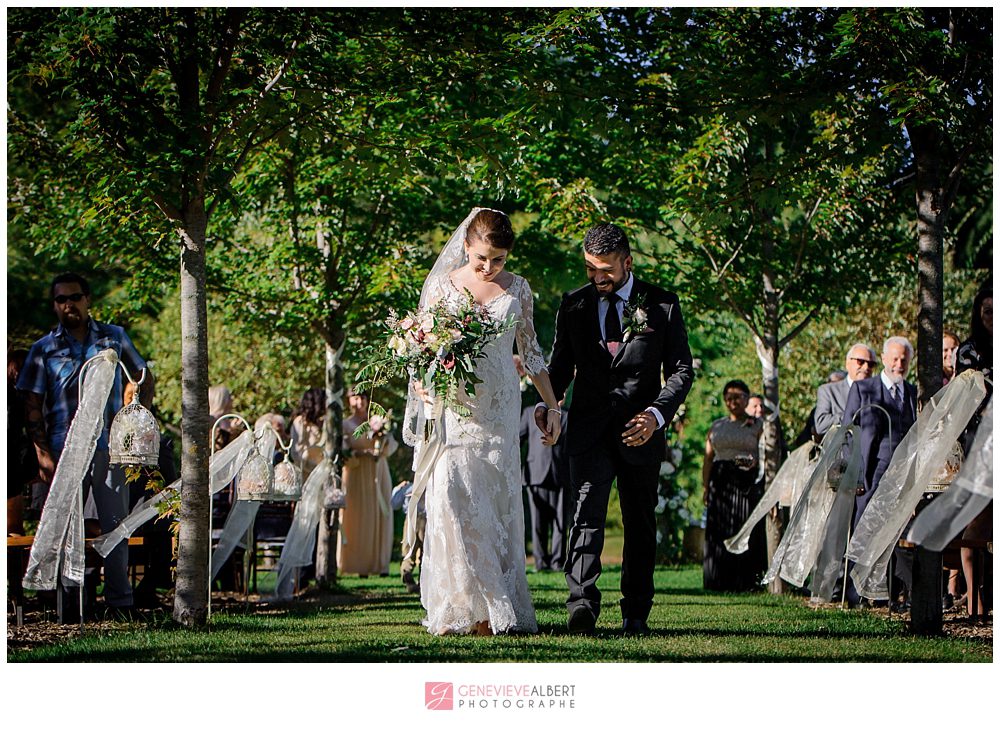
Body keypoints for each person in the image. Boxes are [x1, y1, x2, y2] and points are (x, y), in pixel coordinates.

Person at [404, 207, 561, 636]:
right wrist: (420, 382)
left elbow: (531, 353)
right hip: (454, 410)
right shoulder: (442, 286)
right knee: (453, 499)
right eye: (481, 259)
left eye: (499, 260)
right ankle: (472, 603)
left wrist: (553, 406)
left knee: (494, 501)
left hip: (500, 411)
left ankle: (491, 610)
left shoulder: (519, 290)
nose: (489, 268)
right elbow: (420, 347)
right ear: (466, 248)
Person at [545, 222, 694, 636]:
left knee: (640, 523)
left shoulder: (662, 305)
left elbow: (681, 370)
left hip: (640, 432)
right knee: (585, 518)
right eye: (591, 269)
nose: (597, 278)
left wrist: (656, 415)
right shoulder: (573, 304)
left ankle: (636, 613)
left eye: (606, 270)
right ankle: (581, 606)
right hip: (588, 430)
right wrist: (547, 403)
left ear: (627, 262)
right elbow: (560, 368)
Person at [17, 272, 152, 619]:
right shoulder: (43, 349)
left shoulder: (114, 337)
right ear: (55, 305)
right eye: (61, 299)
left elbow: (142, 376)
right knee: (65, 524)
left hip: (111, 446)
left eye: (74, 297)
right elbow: (31, 403)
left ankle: (120, 604)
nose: (68, 305)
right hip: (64, 449)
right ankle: (70, 605)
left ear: (88, 300)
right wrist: (43, 453)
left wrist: (134, 414)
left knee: (115, 524)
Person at [841, 336, 917, 607]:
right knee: (864, 529)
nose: (899, 364)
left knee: (895, 532)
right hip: (871, 470)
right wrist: (856, 475)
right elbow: (848, 434)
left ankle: (888, 594)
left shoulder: (911, 391)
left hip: (900, 474)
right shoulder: (863, 389)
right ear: (884, 359)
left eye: (904, 360)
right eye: (894, 358)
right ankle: (854, 594)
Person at [701, 380, 766, 592]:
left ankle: (743, 581)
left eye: (738, 397)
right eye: (728, 398)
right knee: (718, 529)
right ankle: (716, 580)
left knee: (742, 527)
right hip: (719, 480)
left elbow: (765, 455)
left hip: (745, 480)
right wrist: (705, 486)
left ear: (747, 399)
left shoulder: (758, 425)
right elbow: (708, 458)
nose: (733, 402)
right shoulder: (717, 425)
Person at [952, 287, 992, 617]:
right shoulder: (970, 351)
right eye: (987, 312)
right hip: (982, 443)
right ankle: (973, 598)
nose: (993, 318)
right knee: (976, 523)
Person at [338, 388, 397, 577]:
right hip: (355, 473)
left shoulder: (377, 422)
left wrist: (383, 439)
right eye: (355, 398)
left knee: (379, 513)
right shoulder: (345, 424)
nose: (360, 402)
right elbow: (343, 452)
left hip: (378, 471)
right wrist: (361, 453)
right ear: (349, 401)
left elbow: (391, 447)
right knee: (357, 517)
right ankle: (358, 564)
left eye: (363, 397)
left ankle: (379, 564)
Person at [519, 400, 570, 572]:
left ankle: (557, 562)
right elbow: (518, 439)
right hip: (535, 473)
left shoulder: (568, 415)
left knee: (561, 522)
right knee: (537, 523)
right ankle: (540, 563)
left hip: (561, 474)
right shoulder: (528, 413)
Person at [813, 344, 877, 438]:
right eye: (860, 362)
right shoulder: (829, 391)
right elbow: (821, 425)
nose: (866, 367)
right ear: (848, 363)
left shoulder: (879, 393)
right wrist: (853, 416)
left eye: (871, 364)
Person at [289, 387, 326, 481]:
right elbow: (297, 452)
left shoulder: (322, 422)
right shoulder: (300, 422)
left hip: (322, 472)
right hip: (306, 474)